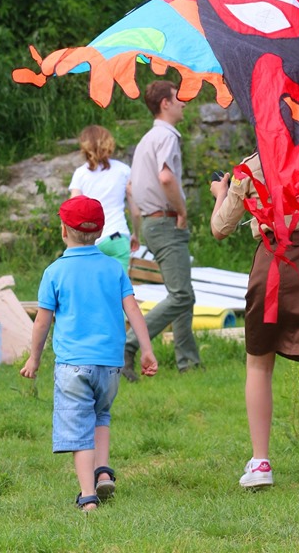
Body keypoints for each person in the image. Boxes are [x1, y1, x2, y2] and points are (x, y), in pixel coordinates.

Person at [210, 151, 299, 491]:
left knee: (259, 363)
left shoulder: (250, 165)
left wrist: (221, 194)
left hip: (271, 263)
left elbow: (220, 228)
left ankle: (260, 462)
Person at [20, 196, 157, 512]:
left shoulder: (55, 271)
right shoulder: (113, 268)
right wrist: (146, 349)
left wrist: (34, 358)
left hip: (72, 365)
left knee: (78, 427)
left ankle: (88, 497)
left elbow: (42, 322)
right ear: (101, 229)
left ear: (63, 230)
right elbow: (133, 309)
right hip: (110, 364)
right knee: (101, 414)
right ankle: (104, 471)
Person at [122, 80, 200, 380]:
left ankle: (188, 362)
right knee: (180, 295)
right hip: (165, 220)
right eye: (178, 98)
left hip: (153, 222)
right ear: (165, 104)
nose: (184, 103)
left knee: (184, 293)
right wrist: (181, 210)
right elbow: (166, 178)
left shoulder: (147, 139)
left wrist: (139, 228)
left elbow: (131, 187)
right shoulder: (166, 136)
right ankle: (128, 346)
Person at [69, 125, 140, 271]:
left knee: (92, 289)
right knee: (119, 290)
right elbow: (136, 212)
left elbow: (72, 211)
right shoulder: (123, 170)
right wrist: (136, 234)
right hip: (117, 236)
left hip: (91, 241)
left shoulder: (80, 174)